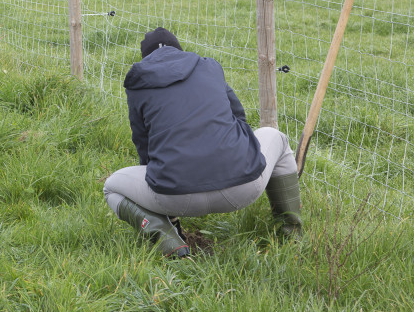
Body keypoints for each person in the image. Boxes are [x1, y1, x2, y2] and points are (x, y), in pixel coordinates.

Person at [103, 27, 303, 258]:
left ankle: (167, 239)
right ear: (179, 49)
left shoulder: (138, 83)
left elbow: (143, 144)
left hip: (175, 197)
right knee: (274, 135)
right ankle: (292, 236)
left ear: (146, 58)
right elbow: (239, 116)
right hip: (244, 186)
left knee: (112, 187)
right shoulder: (209, 66)